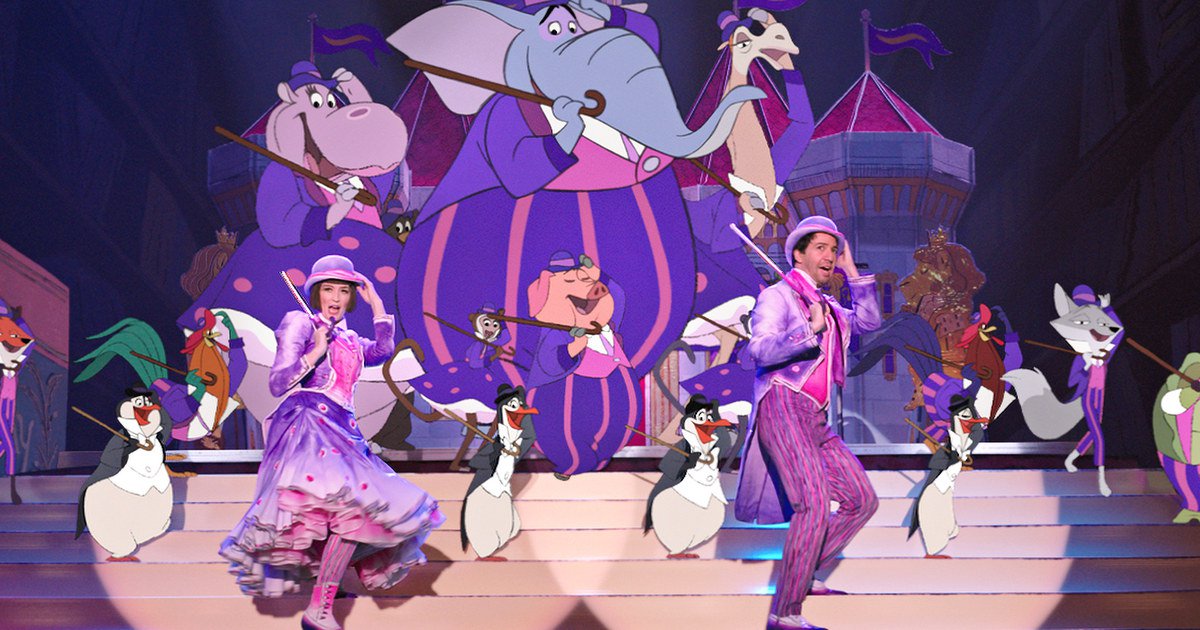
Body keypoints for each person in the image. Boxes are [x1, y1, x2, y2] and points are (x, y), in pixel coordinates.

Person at [219, 255, 444, 630]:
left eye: (344, 290)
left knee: (345, 513)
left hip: (344, 429)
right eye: (328, 289)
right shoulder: (300, 323)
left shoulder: (351, 339)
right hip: (310, 426)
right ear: (316, 293)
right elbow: (278, 383)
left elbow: (382, 351)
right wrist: (314, 351)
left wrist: (377, 304)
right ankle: (319, 607)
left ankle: (329, 593)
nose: (336, 298)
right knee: (348, 512)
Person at [733, 216, 882, 630]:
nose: (829, 256)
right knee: (813, 503)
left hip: (815, 417)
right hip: (783, 403)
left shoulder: (829, 307)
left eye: (834, 249)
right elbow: (760, 350)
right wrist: (808, 332)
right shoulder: (778, 296)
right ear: (798, 254)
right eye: (820, 248)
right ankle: (785, 612)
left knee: (861, 499)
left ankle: (804, 571)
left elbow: (870, 322)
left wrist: (852, 272)